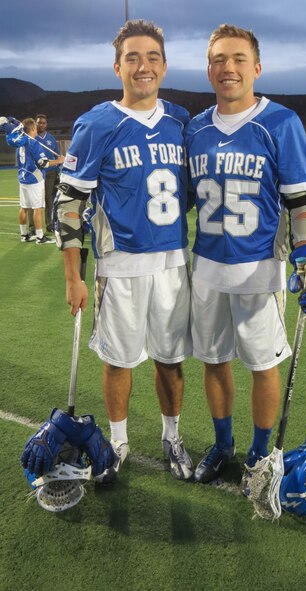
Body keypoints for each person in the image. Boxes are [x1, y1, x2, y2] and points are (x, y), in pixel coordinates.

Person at [185, 24, 306, 490]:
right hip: (206, 269)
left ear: (257, 67)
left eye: (238, 59)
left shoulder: (281, 122)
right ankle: (223, 443)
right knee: (212, 360)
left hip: (259, 271)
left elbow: (301, 202)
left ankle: (259, 452)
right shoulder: (195, 128)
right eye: (219, 60)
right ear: (209, 70)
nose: (228, 68)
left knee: (262, 365)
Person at [53, 19, 193, 483]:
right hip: (121, 265)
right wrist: (73, 276)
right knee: (119, 360)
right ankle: (118, 441)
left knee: (170, 360)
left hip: (174, 262)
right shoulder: (96, 124)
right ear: (118, 67)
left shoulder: (181, 120)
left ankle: (172, 436)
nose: (143, 66)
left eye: (152, 57)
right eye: (132, 58)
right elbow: (69, 204)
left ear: (164, 65)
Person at [5, 118, 63, 244]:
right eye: (35, 128)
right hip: (34, 180)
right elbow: (44, 163)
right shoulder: (33, 143)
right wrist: (59, 161)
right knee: (38, 208)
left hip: (23, 178)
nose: (37, 129)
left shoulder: (21, 142)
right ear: (32, 129)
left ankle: (24, 235)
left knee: (24, 207)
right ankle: (40, 237)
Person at [35, 114, 62, 233]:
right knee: (39, 200)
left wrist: (58, 168)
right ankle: (38, 226)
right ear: (35, 124)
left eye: (43, 123)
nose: (41, 125)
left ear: (46, 124)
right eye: (39, 122)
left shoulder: (51, 138)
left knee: (53, 198)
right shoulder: (32, 138)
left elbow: (57, 154)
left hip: (52, 172)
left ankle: (52, 223)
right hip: (39, 173)